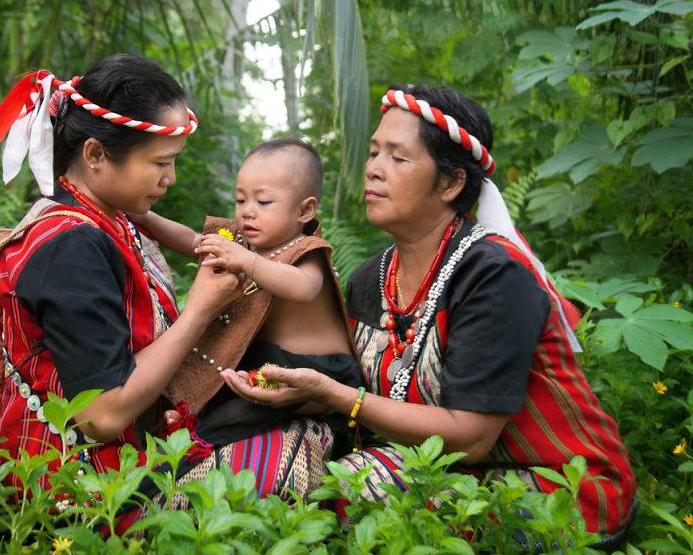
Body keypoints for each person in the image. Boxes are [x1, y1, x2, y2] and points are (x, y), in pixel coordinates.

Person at [222, 85, 637, 548]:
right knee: (267, 466)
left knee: (350, 489)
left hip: (560, 490)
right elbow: (358, 387)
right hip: (437, 465)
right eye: (375, 151)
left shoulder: (494, 275)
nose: (374, 168)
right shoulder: (370, 277)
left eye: (398, 158)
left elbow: (471, 438)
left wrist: (334, 396)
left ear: (451, 183)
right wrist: (302, 394)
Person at [0, 54, 333, 523]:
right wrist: (199, 312)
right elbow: (102, 416)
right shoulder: (70, 246)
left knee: (297, 426)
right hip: (79, 488)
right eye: (161, 162)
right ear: (96, 155)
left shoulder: (111, 220)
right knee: (299, 446)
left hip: (129, 455)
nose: (171, 178)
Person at [133, 138, 362, 446]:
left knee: (226, 422)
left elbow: (305, 288)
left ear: (305, 210)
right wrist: (144, 217)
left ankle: (198, 441)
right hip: (263, 363)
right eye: (241, 201)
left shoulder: (308, 250)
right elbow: (194, 241)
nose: (248, 212)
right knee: (218, 390)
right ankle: (186, 421)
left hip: (318, 369)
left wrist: (246, 260)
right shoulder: (243, 242)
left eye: (263, 202)